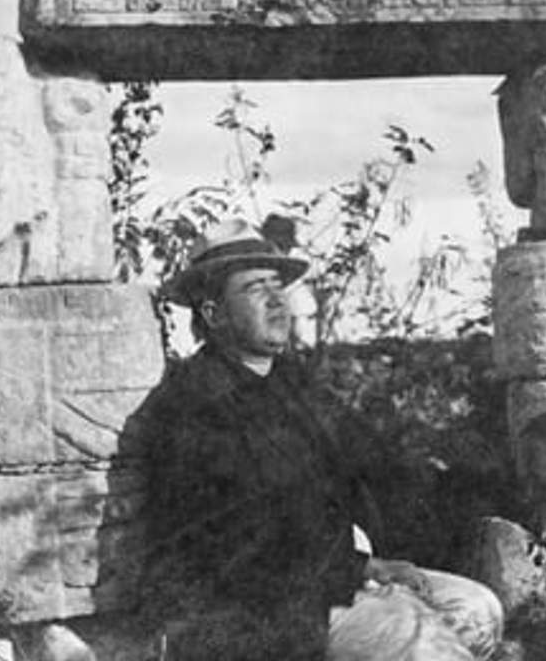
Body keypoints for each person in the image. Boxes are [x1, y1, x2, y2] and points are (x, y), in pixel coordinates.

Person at [135, 218, 504, 661]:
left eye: (278, 285)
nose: (277, 301)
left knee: (479, 611)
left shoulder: (294, 385)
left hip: (327, 582)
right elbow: (237, 542)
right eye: (254, 288)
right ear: (213, 314)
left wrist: (481, 501)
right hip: (250, 612)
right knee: (425, 645)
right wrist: (361, 569)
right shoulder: (193, 405)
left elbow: (379, 467)